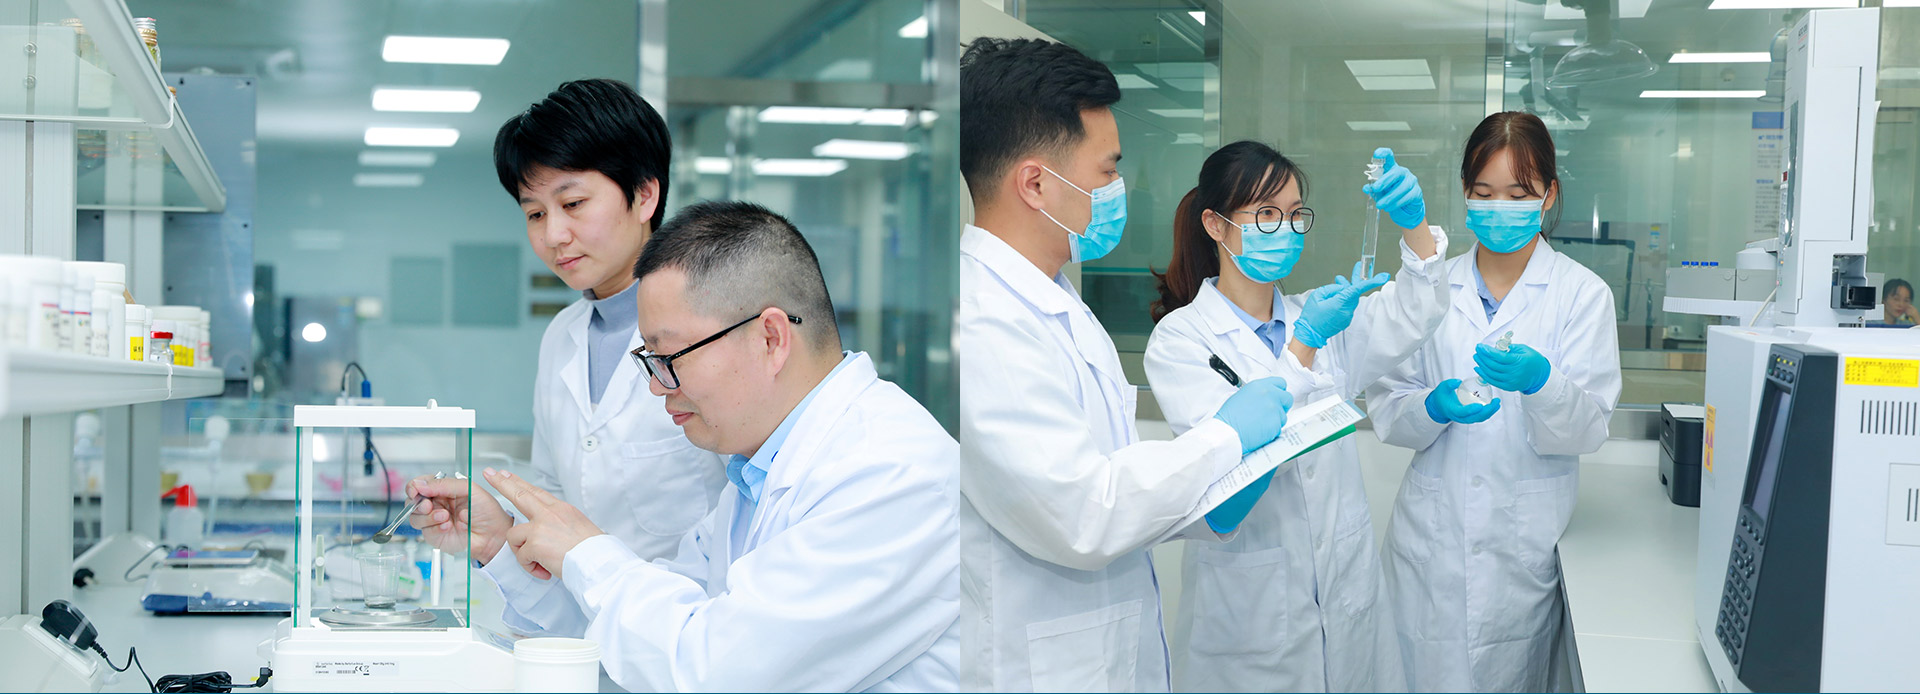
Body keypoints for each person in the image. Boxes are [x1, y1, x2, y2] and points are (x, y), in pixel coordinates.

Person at [409, 201, 960, 692]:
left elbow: (714, 671)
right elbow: (640, 639)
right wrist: (501, 545)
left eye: (669, 356)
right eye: (649, 360)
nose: (657, 386)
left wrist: (588, 552)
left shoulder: (889, 473)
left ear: (770, 338)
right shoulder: (756, 472)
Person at [957, 37, 1296, 692]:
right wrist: (1224, 438)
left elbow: (1111, 475)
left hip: (1102, 651)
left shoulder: (1056, 300)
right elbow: (1084, 514)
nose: (1118, 189)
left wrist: (1212, 501)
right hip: (1042, 668)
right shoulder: (983, 321)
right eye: (1107, 170)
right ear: (1035, 183)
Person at [1142, 141, 1448, 692]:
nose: (1283, 229)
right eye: (1265, 214)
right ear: (1215, 224)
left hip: (1347, 595)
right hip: (1250, 616)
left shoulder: (1322, 316)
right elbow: (1234, 463)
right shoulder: (1182, 341)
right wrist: (1304, 345)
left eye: (1293, 214)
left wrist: (1414, 226)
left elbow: (1415, 311)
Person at [1366, 111, 1622, 692]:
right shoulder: (1428, 290)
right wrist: (1432, 407)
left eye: (1519, 194)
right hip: (1428, 547)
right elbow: (1388, 408)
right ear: (1465, 193)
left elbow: (1588, 430)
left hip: (1519, 555)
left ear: (1548, 195)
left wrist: (1542, 383)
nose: (1499, 207)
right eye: (1484, 194)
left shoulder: (1582, 295)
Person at [492, 78, 725, 563]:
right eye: (535, 214)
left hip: (694, 605)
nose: (554, 235)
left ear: (644, 195)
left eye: (573, 204)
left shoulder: (717, 325)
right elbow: (552, 496)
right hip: (578, 609)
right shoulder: (562, 336)